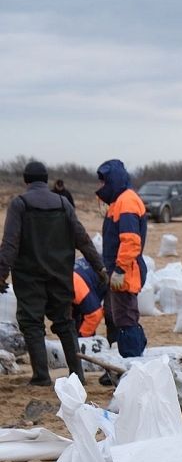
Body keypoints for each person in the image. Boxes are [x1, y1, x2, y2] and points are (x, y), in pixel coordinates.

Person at [0, 161, 106, 385]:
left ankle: (41, 376)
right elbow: (83, 239)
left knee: (32, 324)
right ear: (46, 179)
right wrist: (100, 267)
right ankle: (77, 374)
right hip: (60, 276)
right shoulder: (63, 203)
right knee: (65, 323)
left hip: (29, 278)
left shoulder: (20, 205)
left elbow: (10, 244)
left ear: (26, 181)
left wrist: (1, 274)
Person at [95, 159, 148, 359]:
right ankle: (133, 356)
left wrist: (119, 270)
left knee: (126, 321)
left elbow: (131, 241)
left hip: (126, 272)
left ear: (113, 180)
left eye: (103, 182)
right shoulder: (119, 202)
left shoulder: (126, 202)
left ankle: (133, 362)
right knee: (123, 318)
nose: (101, 187)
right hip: (122, 271)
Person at [72, 258, 107, 338]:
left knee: (112, 315)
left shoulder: (76, 287)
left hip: (114, 275)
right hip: (89, 277)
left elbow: (95, 314)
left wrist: (82, 337)